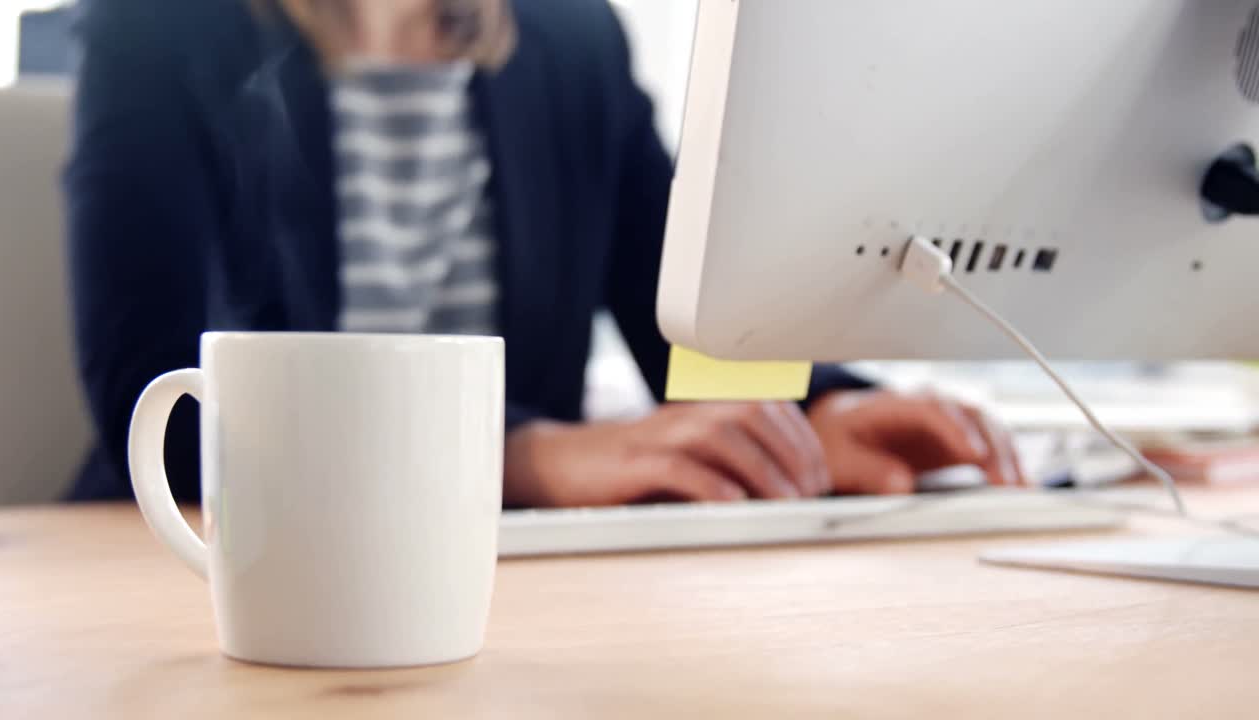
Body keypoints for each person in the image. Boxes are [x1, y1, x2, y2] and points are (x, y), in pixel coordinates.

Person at [66, 0, 1022, 505]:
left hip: (522, 582)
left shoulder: (571, 37)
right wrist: (522, 457)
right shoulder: (159, 27)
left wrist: (822, 411)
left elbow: (688, 323)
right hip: (209, 551)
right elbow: (157, 402)